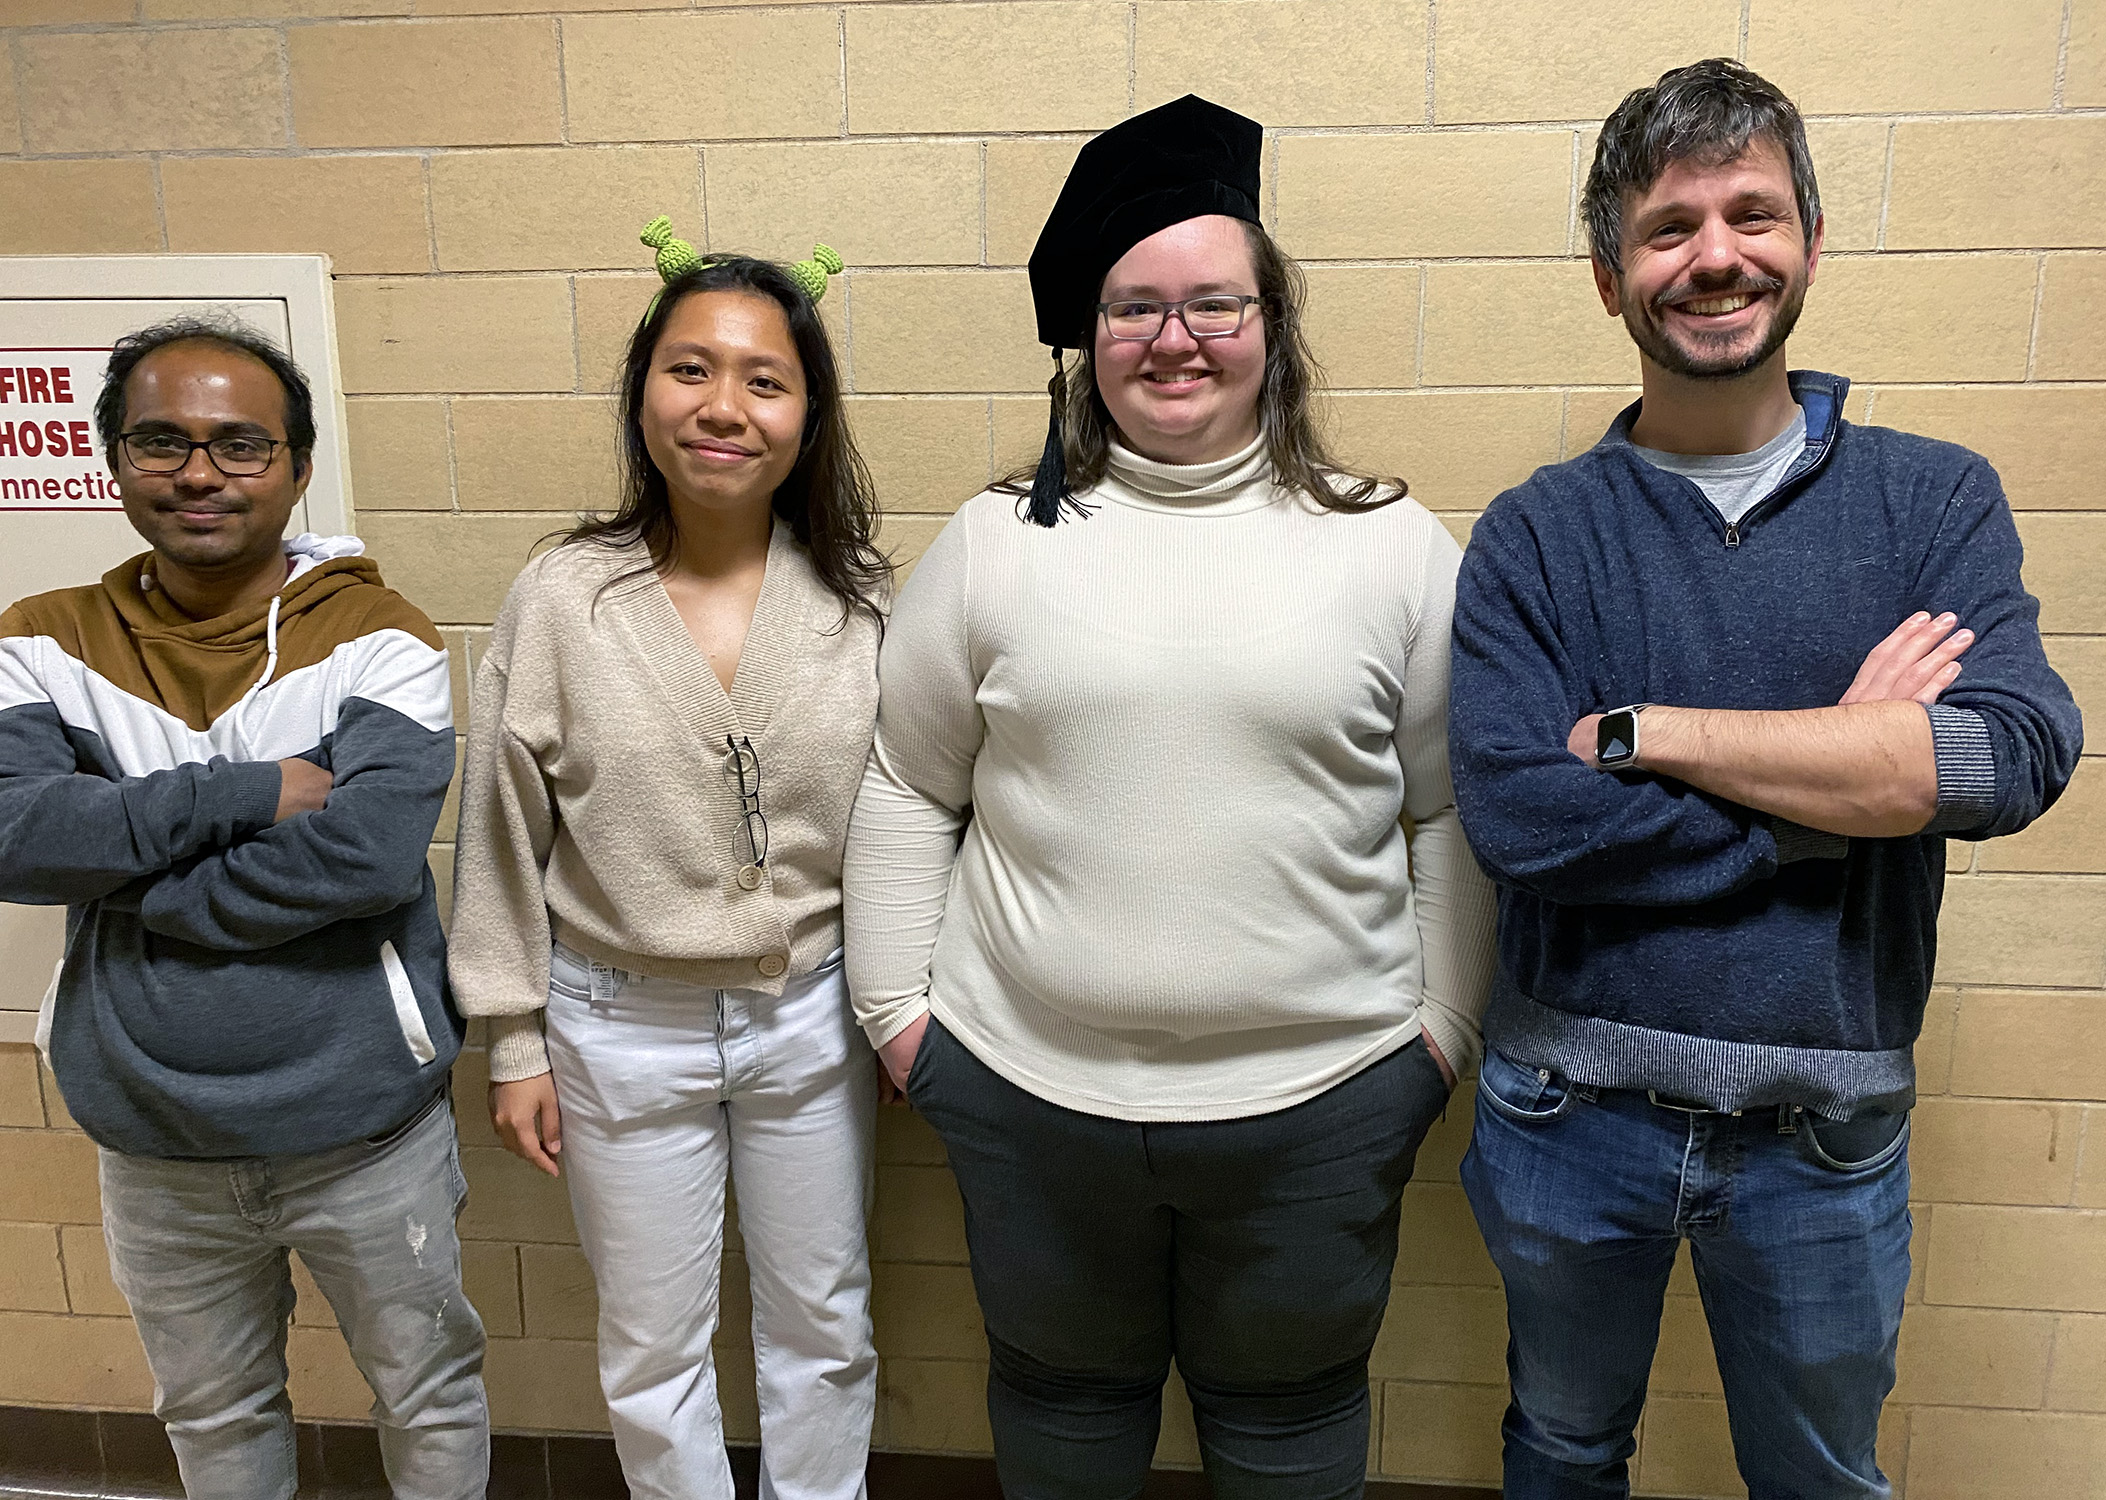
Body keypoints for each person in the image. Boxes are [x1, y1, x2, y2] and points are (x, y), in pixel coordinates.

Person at [843, 95, 1498, 1499]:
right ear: (1089, 339)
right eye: (1135, 307)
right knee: (1064, 1411)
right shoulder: (991, 547)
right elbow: (908, 787)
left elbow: (1447, 812)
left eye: (1214, 303)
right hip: (1027, 1096)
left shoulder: (1387, 548)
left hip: (1321, 1100)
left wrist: (1436, 1035)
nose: (1175, 338)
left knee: (1287, 1425)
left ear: (1272, 324)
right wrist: (899, 1020)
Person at [1447, 59, 2083, 1500]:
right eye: (1667, 226)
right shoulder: (1535, 536)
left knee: (1816, 1477)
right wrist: (1838, 781)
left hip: (1823, 1132)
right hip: (1565, 1117)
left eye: (1752, 212)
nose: (1714, 255)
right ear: (1608, 278)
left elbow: (2004, 756)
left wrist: (1650, 730)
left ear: (1805, 244)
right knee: (1558, 1448)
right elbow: (1522, 820)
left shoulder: (1932, 499)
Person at [0, 319, 485, 1498]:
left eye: (239, 445)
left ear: (297, 467)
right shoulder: (42, 643)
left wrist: (125, 869)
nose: (199, 473)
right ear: (114, 461)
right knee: (215, 1418)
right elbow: (15, 838)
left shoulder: (381, 638)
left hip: (366, 1128)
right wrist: (253, 791)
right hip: (154, 1135)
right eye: (161, 441)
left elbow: (367, 863)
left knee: (428, 1394)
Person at [447, 224, 887, 1500]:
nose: (724, 407)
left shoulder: (855, 607)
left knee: (825, 1327)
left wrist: (899, 1000)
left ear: (808, 412)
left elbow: (909, 826)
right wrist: (513, 1036)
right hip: (614, 1021)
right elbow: (499, 828)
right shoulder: (563, 599)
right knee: (652, 1348)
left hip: (809, 1013)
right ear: (643, 390)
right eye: (690, 369)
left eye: (764, 378)